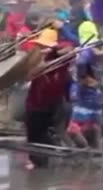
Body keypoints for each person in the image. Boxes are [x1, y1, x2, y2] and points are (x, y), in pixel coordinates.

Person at [24, 28, 71, 169]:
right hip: (36, 103)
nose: (40, 48)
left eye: (43, 46)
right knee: (35, 133)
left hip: (44, 105)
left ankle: (43, 160)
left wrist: (53, 53)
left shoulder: (58, 61)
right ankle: (41, 159)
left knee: (37, 134)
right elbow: (28, 74)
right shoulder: (40, 59)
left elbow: (70, 51)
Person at [67, 20, 103, 149]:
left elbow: (81, 65)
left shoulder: (85, 51)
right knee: (94, 126)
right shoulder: (100, 48)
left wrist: (83, 79)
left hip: (85, 93)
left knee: (72, 129)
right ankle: (98, 153)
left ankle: (84, 150)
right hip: (98, 93)